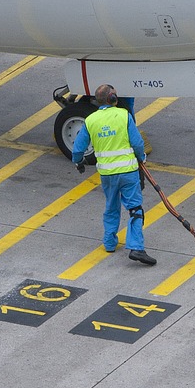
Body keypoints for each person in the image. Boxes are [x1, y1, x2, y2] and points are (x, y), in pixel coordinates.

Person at [71, 84, 157, 265]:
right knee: (135, 209)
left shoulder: (91, 120)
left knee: (111, 206)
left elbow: (78, 149)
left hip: (107, 174)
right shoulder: (124, 115)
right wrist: (141, 158)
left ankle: (110, 243)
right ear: (112, 98)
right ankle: (136, 247)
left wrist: (78, 162)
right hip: (128, 172)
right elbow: (137, 143)